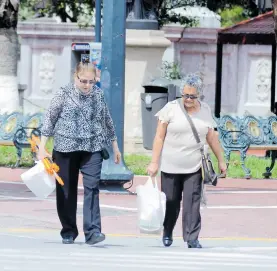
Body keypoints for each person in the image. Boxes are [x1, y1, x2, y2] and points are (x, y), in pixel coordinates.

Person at [38, 62, 121, 245]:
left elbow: (107, 120)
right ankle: (68, 230)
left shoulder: (98, 95)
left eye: (91, 82)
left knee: (92, 187)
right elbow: (50, 119)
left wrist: (115, 147)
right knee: (66, 190)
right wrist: (42, 148)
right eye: (83, 81)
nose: (87, 85)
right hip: (65, 148)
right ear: (75, 76)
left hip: (92, 148)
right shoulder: (63, 93)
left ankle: (93, 232)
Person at [147, 73, 227, 249]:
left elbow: (212, 138)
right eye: (185, 95)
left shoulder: (205, 109)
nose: (188, 99)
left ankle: (192, 237)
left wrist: (221, 160)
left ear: (199, 95)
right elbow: (159, 137)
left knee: (193, 202)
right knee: (172, 201)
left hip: (195, 165)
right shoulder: (170, 108)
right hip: (171, 165)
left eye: (192, 96)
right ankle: (167, 232)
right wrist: (154, 162)